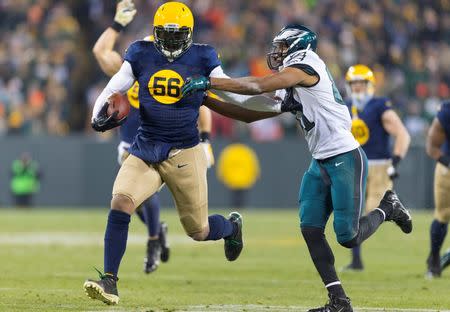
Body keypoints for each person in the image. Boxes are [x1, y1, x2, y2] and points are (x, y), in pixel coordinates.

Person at [182, 24, 413, 312]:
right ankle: (339, 301)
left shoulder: (306, 66)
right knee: (310, 228)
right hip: (320, 161)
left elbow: (258, 85)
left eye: (281, 46)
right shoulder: (293, 81)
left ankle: (387, 207)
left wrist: (210, 83)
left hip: (344, 156)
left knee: (348, 237)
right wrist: (206, 100)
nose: (276, 52)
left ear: (297, 45)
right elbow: (251, 114)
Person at [84, 2, 243, 305]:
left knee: (199, 230)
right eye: (165, 35)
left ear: (189, 34)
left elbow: (226, 88)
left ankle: (231, 227)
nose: (170, 41)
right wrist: (96, 116)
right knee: (120, 203)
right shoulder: (140, 53)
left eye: (176, 35)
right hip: (146, 147)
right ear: (154, 33)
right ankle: (110, 280)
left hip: (184, 150)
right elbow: (113, 86)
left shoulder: (203, 55)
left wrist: (266, 97)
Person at [92, 0, 215, 274]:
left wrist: (205, 138)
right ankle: (152, 236)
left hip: (175, 145)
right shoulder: (138, 59)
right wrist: (117, 24)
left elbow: (204, 103)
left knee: (191, 224)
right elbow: (101, 52)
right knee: (127, 201)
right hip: (136, 142)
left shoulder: (186, 63)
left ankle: (154, 239)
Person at [342, 64, 411, 271]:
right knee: (352, 212)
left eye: (361, 84)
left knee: (373, 209)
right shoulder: (345, 106)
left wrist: (396, 160)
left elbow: (402, 133)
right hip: (354, 163)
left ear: (369, 85)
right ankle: (356, 261)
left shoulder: (379, 105)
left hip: (379, 165)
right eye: (354, 84)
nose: (357, 89)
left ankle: (396, 210)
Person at [425, 100, 450, 278]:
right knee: (443, 215)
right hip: (448, 170)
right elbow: (432, 147)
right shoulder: (447, 112)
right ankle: (434, 258)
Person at [217, 143, 260, 208]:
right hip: (244, 180)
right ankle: (242, 211)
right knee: (242, 198)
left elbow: (222, 165)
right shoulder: (247, 151)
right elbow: (254, 165)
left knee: (234, 198)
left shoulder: (228, 151)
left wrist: (222, 176)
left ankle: (235, 212)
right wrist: (255, 175)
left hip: (232, 180)